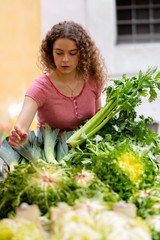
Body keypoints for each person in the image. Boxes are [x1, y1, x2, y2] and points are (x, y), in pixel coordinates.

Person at [8, 20, 108, 148]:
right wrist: (18, 136)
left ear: (82, 54)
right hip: (51, 157)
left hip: (88, 152)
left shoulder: (93, 80)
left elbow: (98, 119)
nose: (65, 59)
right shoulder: (40, 87)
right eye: (59, 53)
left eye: (72, 53)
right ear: (51, 53)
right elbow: (21, 125)